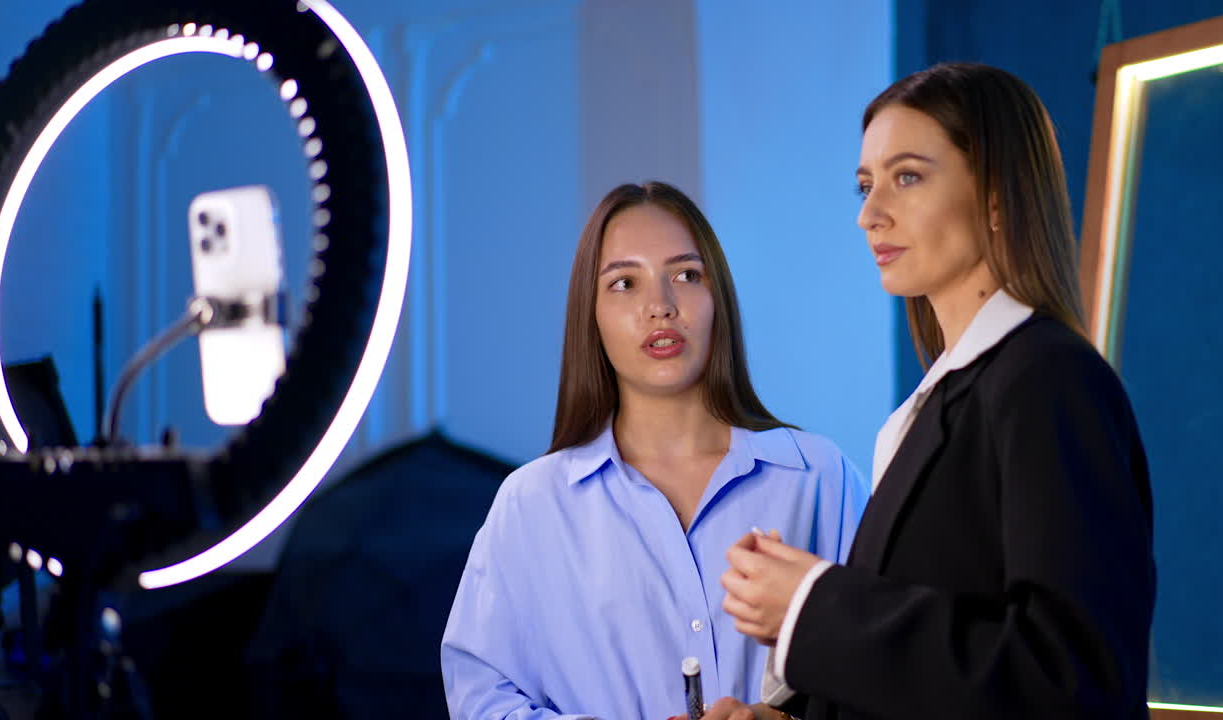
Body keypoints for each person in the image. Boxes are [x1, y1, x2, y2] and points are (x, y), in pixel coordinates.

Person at [715, 63, 1156, 720]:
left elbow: (1073, 679)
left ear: (999, 196)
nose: (869, 214)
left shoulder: (1050, 381)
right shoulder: (935, 405)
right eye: (865, 185)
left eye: (907, 177)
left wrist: (812, 605)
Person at [441, 181, 870, 720]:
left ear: (719, 299)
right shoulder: (531, 505)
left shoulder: (818, 478)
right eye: (624, 283)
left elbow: (889, 674)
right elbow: (481, 700)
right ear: (589, 316)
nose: (660, 307)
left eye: (686, 276)